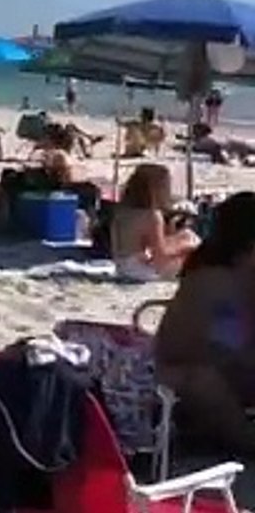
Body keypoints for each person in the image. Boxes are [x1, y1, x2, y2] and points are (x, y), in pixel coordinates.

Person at [154, 192, 255, 456]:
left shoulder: (238, 276)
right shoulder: (216, 283)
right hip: (179, 378)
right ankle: (247, 443)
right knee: (205, 381)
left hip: (220, 369)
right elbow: (222, 349)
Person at [109, 164, 200, 281]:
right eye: (166, 186)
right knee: (193, 244)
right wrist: (188, 247)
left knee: (186, 235)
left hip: (122, 269)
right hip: (143, 273)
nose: (168, 192)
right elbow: (160, 259)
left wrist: (172, 227)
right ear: (155, 189)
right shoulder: (152, 216)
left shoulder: (122, 212)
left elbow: (143, 245)